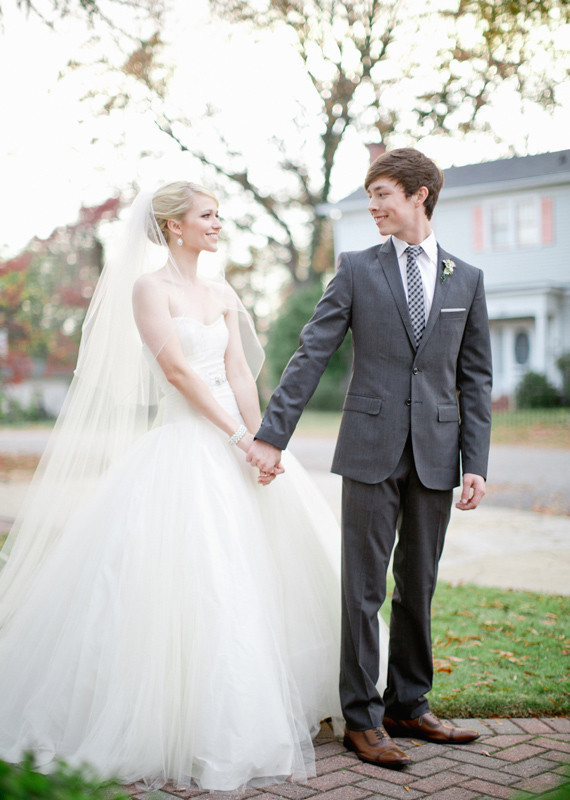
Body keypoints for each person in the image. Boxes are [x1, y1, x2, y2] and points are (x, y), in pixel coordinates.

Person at [0, 182, 389, 791]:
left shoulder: (222, 292)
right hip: (185, 445)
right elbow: (179, 371)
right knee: (197, 577)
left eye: (218, 215)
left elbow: (238, 371)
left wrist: (263, 441)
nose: (217, 223)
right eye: (207, 215)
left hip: (239, 442)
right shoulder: (148, 289)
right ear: (175, 226)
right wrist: (235, 437)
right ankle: (184, 719)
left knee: (268, 570)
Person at [247, 147, 493, 768]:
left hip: (437, 453)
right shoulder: (356, 269)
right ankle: (361, 717)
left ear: (419, 194)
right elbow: (311, 353)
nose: (373, 206)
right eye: (370, 196)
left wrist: (475, 461)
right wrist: (273, 434)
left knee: (419, 583)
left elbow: (475, 378)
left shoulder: (466, 278)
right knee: (362, 587)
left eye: (382, 193)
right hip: (368, 449)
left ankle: (409, 705)